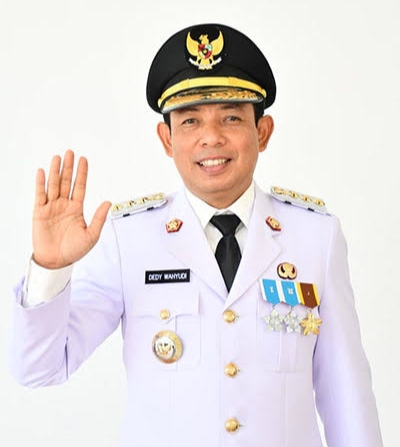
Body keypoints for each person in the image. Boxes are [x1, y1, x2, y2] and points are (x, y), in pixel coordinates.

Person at [9, 23, 383, 447]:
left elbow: (347, 395)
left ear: (262, 132)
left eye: (231, 117)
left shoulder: (314, 235)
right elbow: (39, 368)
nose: (211, 137)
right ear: (167, 139)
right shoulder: (129, 239)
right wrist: (50, 269)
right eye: (190, 121)